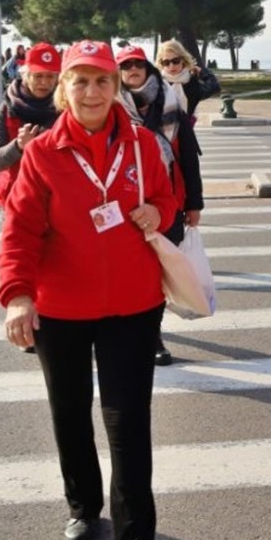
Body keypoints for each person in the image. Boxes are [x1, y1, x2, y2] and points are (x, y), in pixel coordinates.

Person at [0, 40, 177, 540]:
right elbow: (21, 233)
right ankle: (83, 507)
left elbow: (171, 197)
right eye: (80, 81)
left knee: (128, 425)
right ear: (64, 92)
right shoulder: (44, 154)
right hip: (62, 310)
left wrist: (158, 209)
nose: (92, 91)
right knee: (70, 413)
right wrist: (18, 295)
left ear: (116, 87)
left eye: (102, 81)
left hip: (133, 306)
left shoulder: (144, 146)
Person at [118, 45, 204, 367]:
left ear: (147, 67)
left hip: (167, 200)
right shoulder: (107, 107)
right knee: (130, 272)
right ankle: (126, 330)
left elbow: (188, 158)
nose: (133, 69)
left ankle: (153, 337)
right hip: (125, 205)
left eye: (138, 63)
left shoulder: (170, 102)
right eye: (126, 65)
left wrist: (194, 204)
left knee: (157, 274)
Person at [0, 42, 62, 207]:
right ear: (26, 75)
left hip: (55, 199)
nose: (44, 82)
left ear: (58, 79)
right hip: (16, 199)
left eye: (50, 76)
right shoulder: (8, 108)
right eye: (38, 76)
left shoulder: (66, 109)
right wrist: (18, 146)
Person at [155, 40, 220, 121]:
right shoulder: (157, 83)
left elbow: (214, 87)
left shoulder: (192, 82)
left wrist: (203, 73)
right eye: (166, 62)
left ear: (183, 60)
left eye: (175, 61)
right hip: (159, 131)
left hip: (185, 131)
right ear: (161, 63)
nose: (171, 66)